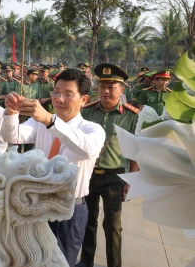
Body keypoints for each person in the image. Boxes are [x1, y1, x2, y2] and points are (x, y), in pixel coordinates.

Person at [1, 68, 105, 267]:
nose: (59, 98)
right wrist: (11, 113)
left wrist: (50, 121)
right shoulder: (40, 123)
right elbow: (12, 137)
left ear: (84, 99)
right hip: (37, 202)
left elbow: (88, 149)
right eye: (56, 91)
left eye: (67, 94)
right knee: (32, 256)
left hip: (69, 208)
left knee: (62, 261)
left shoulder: (92, 129)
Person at [77, 63, 140, 267]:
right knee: (88, 222)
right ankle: (86, 262)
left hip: (116, 177)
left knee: (113, 226)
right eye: (102, 86)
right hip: (89, 175)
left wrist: (131, 180)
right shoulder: (87, 111)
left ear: (122, 89)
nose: (105, 91)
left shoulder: (130, 116)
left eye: (111, 87)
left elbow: (135, 151)